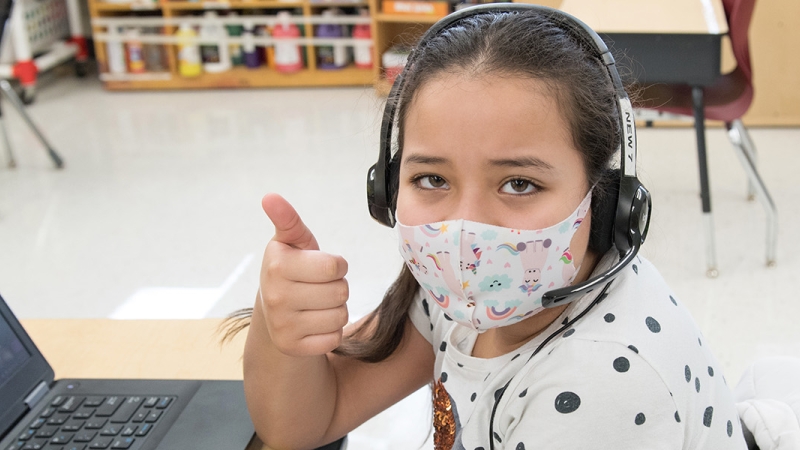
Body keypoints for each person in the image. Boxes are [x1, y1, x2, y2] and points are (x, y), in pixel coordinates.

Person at [227, 5, 748, 449]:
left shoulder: (601, 381)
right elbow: (303, 424)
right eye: (432, 177)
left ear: (607, 200)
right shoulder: (457, 287)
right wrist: (280, 332)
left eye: (519, 184)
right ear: (386, 190)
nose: (464, 227)